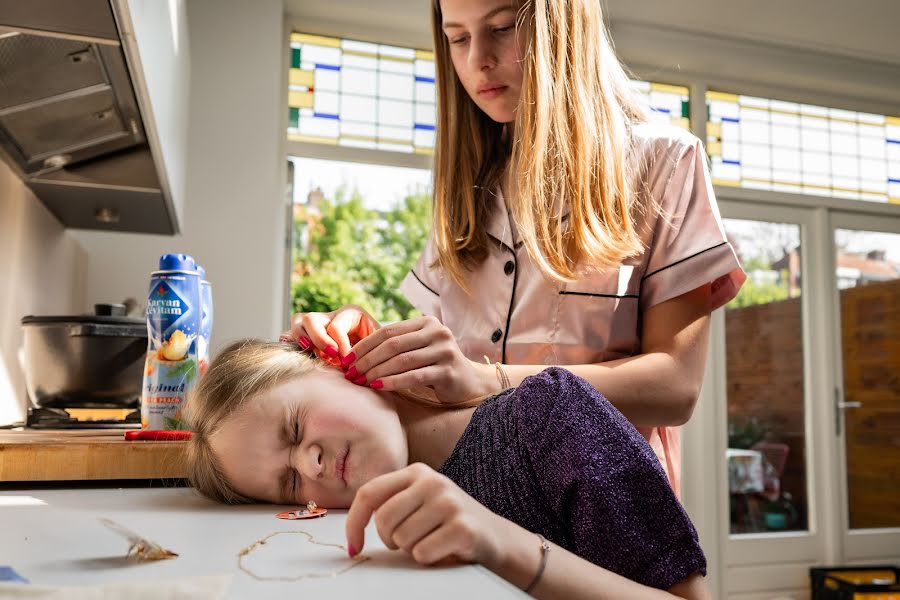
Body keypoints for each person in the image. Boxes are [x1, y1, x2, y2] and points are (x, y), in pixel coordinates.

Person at [289, 0, 746, 496]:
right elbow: (448, 379)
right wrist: (367, 347)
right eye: (458, 38)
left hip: (608, 510)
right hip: (469, 497)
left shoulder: (663, 160)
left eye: (502, 28)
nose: (477, 60)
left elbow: (674, 388)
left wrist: (489, 381)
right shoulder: (463, 185)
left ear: (564, 27)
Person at [186, 340, 711, 599]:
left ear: (335, 364)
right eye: (289, 483)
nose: (311, 464)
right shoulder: (372, 528)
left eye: (296, 428)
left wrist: (500, 543)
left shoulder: (551, 417)